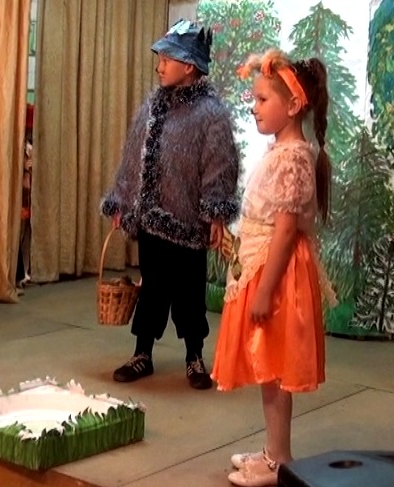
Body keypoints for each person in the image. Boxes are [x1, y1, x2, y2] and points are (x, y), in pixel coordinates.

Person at [210, 49, 334, 486]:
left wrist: (264, 291)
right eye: (255, 99)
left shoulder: (293, 156)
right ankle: (271, 450)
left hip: (278, 278)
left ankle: (280, 459)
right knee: (268, 369)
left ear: (294, 105)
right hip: (263, 267)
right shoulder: (281, 151)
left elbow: (285, 230)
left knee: (276, 370)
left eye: (263, 100)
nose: (254, 107)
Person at [101, 19, 240, 390]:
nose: (159, 67)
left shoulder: (211, 114)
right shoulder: (151, 107)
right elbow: (132, 158)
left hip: (188, 223)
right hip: (151, 220)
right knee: (152, 288)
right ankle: (142, 352)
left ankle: (194, 355)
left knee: (190, 294)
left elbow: (220, 165)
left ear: (189, 66)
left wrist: (215, 213)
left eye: (166, 60)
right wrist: (121, 200)